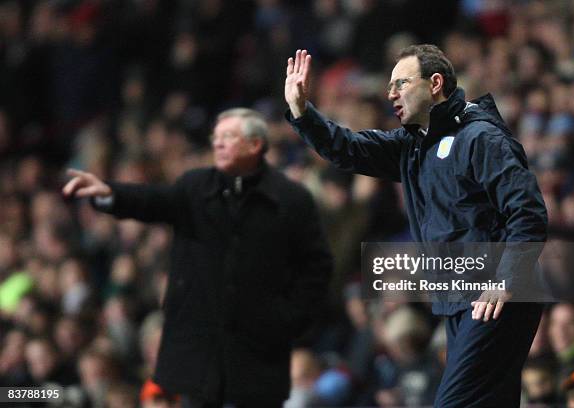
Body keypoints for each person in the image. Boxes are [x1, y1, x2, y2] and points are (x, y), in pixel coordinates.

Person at [284, 45, 548, 407]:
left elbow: (528, 212)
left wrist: (506, 280)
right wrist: (301, 110)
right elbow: (347, 149)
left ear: (435, 83)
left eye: (401, 83)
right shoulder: (414, 146)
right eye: (389, 86)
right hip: (460, 298)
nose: (390, 93)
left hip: (497, 293)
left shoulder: (481, 138)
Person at [62, 108, 332, 407]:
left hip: (259, 352)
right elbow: (155, 201)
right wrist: (110, 194)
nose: (217, 144)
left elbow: (316, 266)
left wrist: (289, 319)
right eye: (215, 137)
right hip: (201, 349)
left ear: (255, 145)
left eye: (227, 137)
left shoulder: (291, 199)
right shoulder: (195, 186)